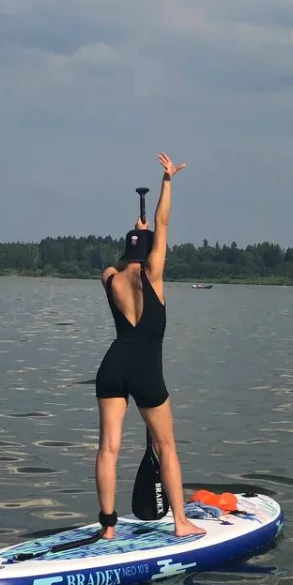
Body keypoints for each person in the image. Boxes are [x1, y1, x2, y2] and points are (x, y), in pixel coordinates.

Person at [94, 152, 204, 540]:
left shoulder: (110, 278)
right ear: (150, 252)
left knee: (108, 448)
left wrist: (135, 236)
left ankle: (107, 528)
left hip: (112, 365)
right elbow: (162, 221)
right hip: (145, 369)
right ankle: (180, 523)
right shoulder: (154, 277)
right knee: (167, 446)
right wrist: (168, 182)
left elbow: (123, 259)